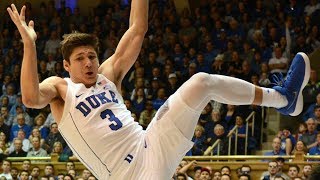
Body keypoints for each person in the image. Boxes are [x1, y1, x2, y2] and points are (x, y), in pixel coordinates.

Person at [7, 0, 311, 179]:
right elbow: (31, 98)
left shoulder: (108, 75)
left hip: (149, 145)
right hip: (126, 176)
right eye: (80, 58)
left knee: (201, 82)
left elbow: (137, 29)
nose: (88, 63)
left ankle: (282, 98)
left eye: (91, 56)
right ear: (66, 65)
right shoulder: (61, 89)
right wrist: (29, 44)